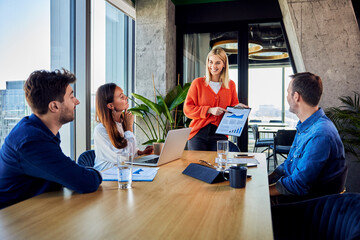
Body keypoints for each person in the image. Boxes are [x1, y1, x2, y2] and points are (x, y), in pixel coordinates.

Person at [0, 69, 102, 209]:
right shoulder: (32, 141)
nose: (76, 101)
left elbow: (64, 172)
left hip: (38, 210)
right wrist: (96, 172)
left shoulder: (40, 130)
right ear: (54, 106)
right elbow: (86, 182)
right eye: (71, 97)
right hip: (16, 220)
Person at [268, 72, 346, 205]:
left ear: (296, 96)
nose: (287, 97)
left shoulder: (320, 134)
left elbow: (298, 184)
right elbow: (289, 165)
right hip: (298, 198)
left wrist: (263, 190)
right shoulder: (306, 126)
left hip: (308, 207)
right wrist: (267, 178)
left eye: (288, 93)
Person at [184, 47, 248, 151]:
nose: (213, 66)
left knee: (219, 166)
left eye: (218, 63)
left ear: (224, 65)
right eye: (211, 62)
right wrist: (209, 110)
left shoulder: (230, 85)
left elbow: (232, 109)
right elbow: (187, 110)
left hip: (220, 134)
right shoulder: (198, 83)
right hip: (198, 134)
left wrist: (237, 108)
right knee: (198, 166)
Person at [93, 83, 152, 171]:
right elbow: (122, 158)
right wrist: (129, 128)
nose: (126, 98)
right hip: (106, 175)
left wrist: (140, 153)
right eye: (121, 97)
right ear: (111, 106)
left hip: (122, 171)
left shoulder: (121, 123)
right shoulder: (101, 130)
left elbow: (128, 151)